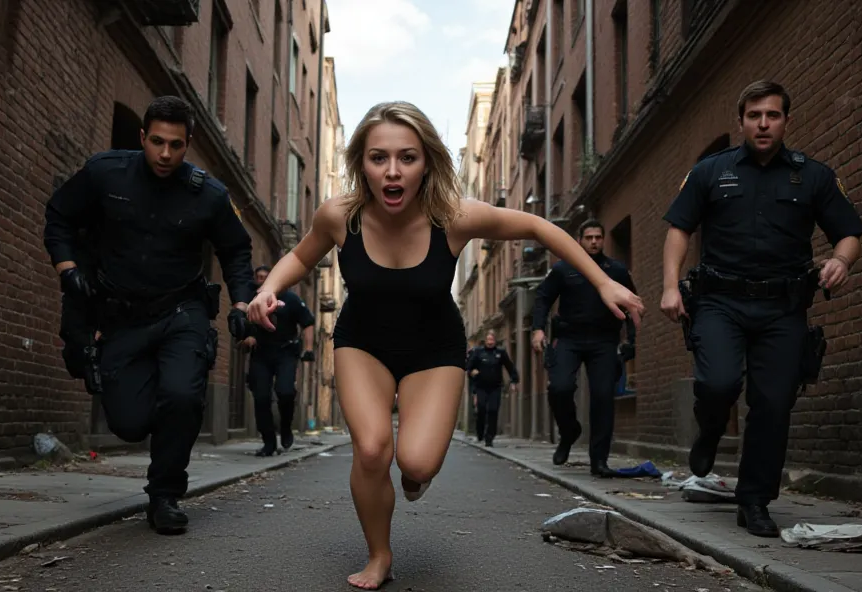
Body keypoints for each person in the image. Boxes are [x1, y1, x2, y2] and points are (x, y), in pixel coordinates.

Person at [245, 100, 644, 589]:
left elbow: (539, 227)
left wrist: (602, 282)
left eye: (407, 158)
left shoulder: (451, 216)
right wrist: (268, 289)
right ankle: (379, 556)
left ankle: (416, 474)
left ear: (426, 162)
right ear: (362, 164)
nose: (393, 172)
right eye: (378, 158)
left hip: (434, 350)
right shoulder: (339, 216)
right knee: (372, 450)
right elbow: (301, 257)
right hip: (362, 343)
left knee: (416, 464)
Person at [660, 80, 862, 537]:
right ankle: (710, 431)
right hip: (719, 302)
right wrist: (671, 286)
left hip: (783, 309)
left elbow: (848, 232)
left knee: (773, 404)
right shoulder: (710, 172)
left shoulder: (812, 176)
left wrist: (840, 260)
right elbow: (679, 228)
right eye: (754, 116)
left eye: (772, 115)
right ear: (741, 122)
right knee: (718, 383)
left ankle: (753, 500)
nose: (763, 123)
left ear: (786, 120)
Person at [43, 95, 255, 535]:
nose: (164, 154)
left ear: (188, 144)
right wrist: (68, 270)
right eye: (156, 142)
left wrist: (240, 304)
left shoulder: (209, 195)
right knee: (128, 422)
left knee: (181, 394)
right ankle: (174, 413)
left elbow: (236, 250)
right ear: (142, 137)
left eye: (175, 145)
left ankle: (165, 495)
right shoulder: (105, 173)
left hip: (183, 312)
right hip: (122, 317)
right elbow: (59, 216)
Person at [531, 219, 637, 474]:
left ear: (603, 239)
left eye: (598, 237)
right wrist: (537, 330)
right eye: (588, 237)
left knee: (603, 398)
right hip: (569, 339)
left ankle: (599, 461)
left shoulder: (616, 270)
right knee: (559, 388)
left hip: (604, 341)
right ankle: (569, 432)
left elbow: (631, 304)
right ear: (580, 240)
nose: (594, 242)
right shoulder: (563, 269)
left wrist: (631, 341)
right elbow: (543, 298)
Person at [240, 265, 316, 456]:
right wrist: (246, 337)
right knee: (261, 397)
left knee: (285, 392)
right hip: (261, 353)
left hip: (285, 353)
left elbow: (307, 322)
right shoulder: (252, 298)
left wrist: (308, 349)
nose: (262, 280)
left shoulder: (290, 299)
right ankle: (268, 442)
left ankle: (285, 427)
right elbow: (241, 321)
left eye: (266, 277)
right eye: (259, 277)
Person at [466, 330, 519, 447]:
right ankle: (480, 432)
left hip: (495, 387)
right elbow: (469, 367)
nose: (490, 342)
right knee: (482, 409)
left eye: (492, 340)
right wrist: (471, 372)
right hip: (481, 387)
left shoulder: (500, 353)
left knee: (493, 411)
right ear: (485, 341)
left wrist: (514, 380)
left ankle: (489, 437)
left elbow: (510, 367)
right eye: (488, 340)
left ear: (495, 341)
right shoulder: (478, 352)